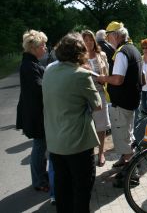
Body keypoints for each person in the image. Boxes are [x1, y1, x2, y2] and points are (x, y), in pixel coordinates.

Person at [42, 33, 102, 213]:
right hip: (78, 144)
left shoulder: (49, 71)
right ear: (80, 53)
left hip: (55, 142)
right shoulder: (81, 75)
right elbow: (97, 105)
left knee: (62, 189)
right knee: (82, 188)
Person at [97, 21, 143, 168]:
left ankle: (131, 173)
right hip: (131, 100)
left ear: (116, 35)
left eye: (108, 36)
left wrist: (103, 78)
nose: (107, 40)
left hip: (122, 103)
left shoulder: (122, 53)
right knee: (128, 133)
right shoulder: (134, 49)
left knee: (123, 137)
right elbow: (142, 77)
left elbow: (117, 79)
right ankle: (125, 161)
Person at [16, 30, 48, 193]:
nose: (45, 48)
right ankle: (39, 181)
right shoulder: (29, 66)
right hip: (35, 115)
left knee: (41, 146)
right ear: (34, 48)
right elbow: (38, 88)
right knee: (39, 146)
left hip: (35, 112)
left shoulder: (32, 62)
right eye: (43, 45)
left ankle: (41, 176)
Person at [82, 30, 111, 167]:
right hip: (85, 95)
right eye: (85, 40)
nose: (88, 43)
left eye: (90, 40)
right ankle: (89, 153)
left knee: (101, 126)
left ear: (94, 41)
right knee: (87, 126)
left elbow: (107, 73)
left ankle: (101, 153)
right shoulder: (79, 57)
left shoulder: (102, 54)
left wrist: (104, 80)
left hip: (100, 93)